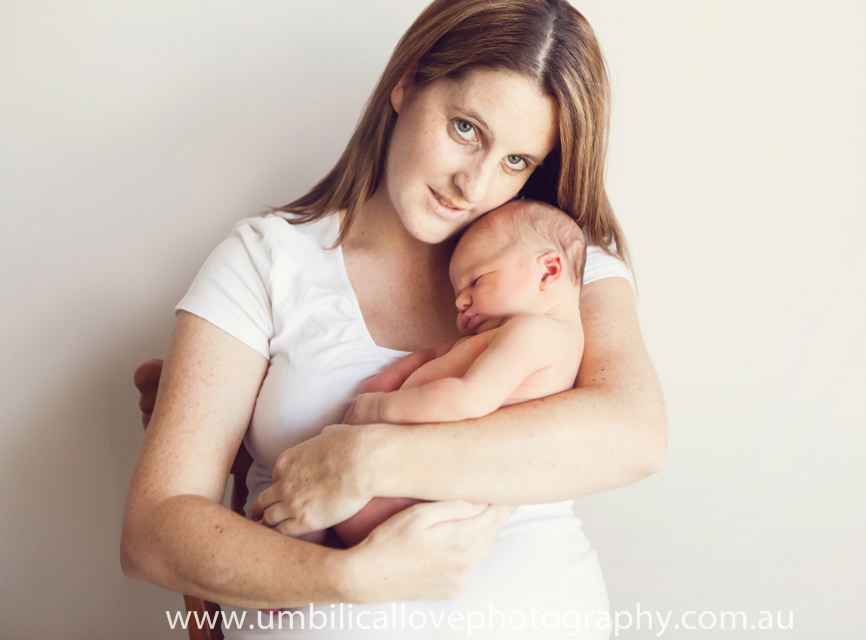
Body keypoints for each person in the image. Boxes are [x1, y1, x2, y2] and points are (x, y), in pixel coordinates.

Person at [122, 0, 667, 638]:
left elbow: (637, 437)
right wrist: (351, 578)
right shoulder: (268, 259)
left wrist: (367, 463)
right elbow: (152, 533)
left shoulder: (559, 265)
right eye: (466, 129)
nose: (474, 185)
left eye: (516, 162)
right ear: (407, 83)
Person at [315, 198, 588, 548]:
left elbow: (467, 400)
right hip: (417, 485)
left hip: (423, 493)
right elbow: (432, 358)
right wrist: (386, 385)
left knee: (321, 492)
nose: (460, 302)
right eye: (459, 292)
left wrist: (378, 407)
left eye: (476, 280)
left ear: (548, 271)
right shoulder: (517, 333)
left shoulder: (536, 332)